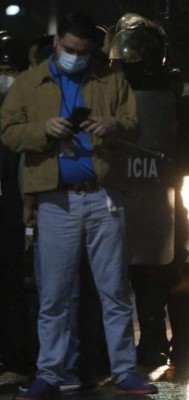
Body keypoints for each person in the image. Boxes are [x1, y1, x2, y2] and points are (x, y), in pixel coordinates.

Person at [0, 13, 157, 399]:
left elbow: (133, 125)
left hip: (103, 196)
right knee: (53, 293)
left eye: (82, 53)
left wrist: (112, 126)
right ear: (57, 44)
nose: (74, 58)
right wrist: (42, 130)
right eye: (68, 50)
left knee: (114, 291)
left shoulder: (110, 79)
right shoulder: (29, 83)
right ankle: (50, 372)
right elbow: (8, 131)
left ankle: (123, 370)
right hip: (55, 200)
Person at [109, 16, 189, 368]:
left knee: (172, 271)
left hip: (165, 198)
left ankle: (177, 340)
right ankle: (152, 341)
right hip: (132, 196)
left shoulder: (177, 94)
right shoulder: (111, 95)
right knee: (140, 274)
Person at [0, 32, 34, 386]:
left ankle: (18, 360)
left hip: (11, 212)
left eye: (8, 68)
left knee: (10, 287)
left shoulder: (25, 110)